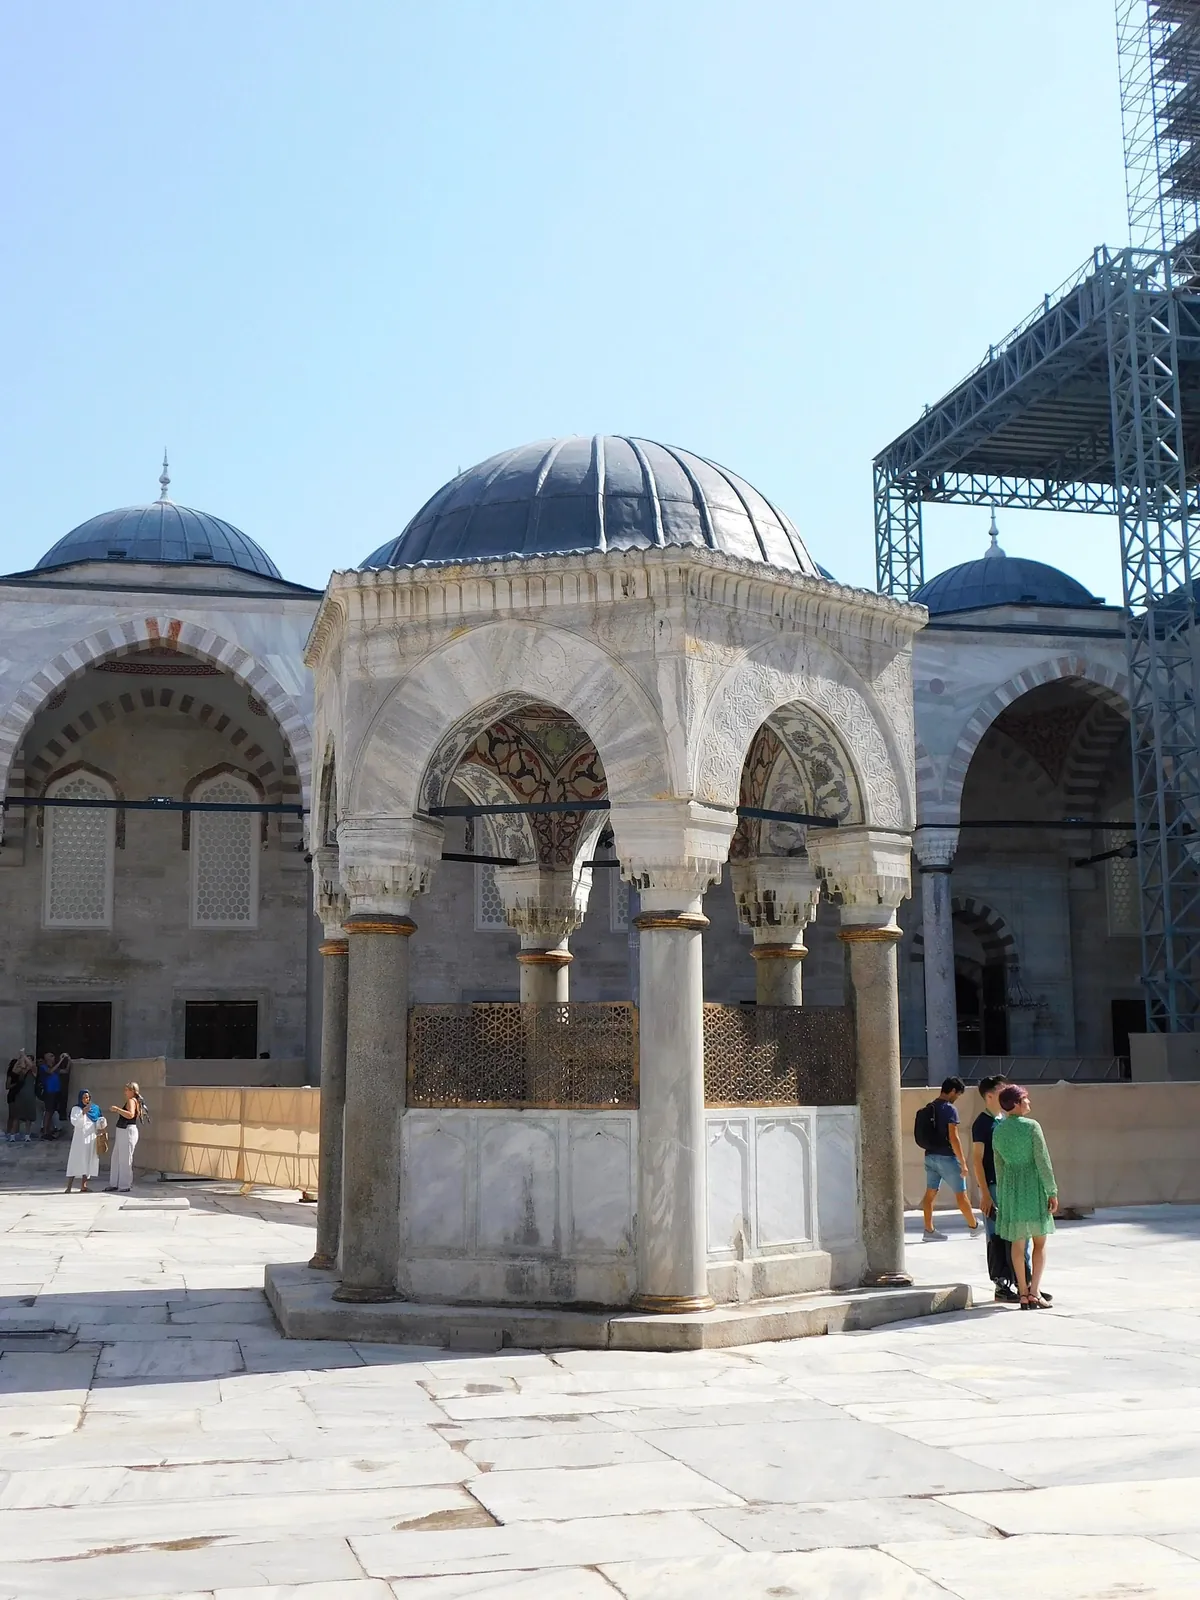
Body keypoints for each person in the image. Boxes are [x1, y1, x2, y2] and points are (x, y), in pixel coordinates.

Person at [993, 1083, 1059, 1309]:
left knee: (1018, 1244)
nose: (1028, 1103)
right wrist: (1052, 1190)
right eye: (1025, 1099)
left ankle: (1022, 1293)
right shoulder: (1032, 1127)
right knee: (1039, 1241)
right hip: (1033, 1184)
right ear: (1016, 1103)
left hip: (1011, 1188)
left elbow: (998, 1164)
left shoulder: (998, 1129)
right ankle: (1035, 1291)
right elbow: (1043, 1160)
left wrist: (1003, 1192)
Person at [920, 1076, 979, 1241]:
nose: (957, 1098)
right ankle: (974, 1226)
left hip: (930, 1156)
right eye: (958, 1094)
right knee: (961, 1194)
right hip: (947, 1157)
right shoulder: (949, 1109)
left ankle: (929, 1230)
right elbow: (954, 1137)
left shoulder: (930, 1107)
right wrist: (962, 1162)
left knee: (930, 1193)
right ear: (953, 1091)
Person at [65, 1090, 106, 1194]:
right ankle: (69, 1187)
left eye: (87, 1097)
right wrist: (83, 1113)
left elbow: (99, 1122)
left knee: (88, 1160)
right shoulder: (76, 1109)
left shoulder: (95, 1109)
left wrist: (102, 1123)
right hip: (79, 1139)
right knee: (75, 1160)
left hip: (91, 1137)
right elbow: (76, 1122)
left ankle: (84, 1186)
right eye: (83, 1098)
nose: (86, 1100)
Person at [107, 1081, 142, 1192]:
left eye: (127, 1090)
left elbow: (131, 1114)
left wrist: (117, 1109)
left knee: (125, 1158)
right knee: (116, 1157)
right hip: (123, 1131)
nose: (125, 1092)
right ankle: (115, 1183)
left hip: (127, 1130)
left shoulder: (132, 1101)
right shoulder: (133, 1100)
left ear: (132, 1091)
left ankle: (124, 1184)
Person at [9, 1053, 38, 1142]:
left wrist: (23, 1055)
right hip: (20, 1095)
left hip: (29, 1095)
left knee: (28, 1117)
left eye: (28, 1059)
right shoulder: (20, 1070)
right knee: (16, 1116)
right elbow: (14, 1071)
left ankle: (27, 1135)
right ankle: (12, 1135)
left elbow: (31, 1066)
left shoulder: (34, 1070)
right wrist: (20, 1059)